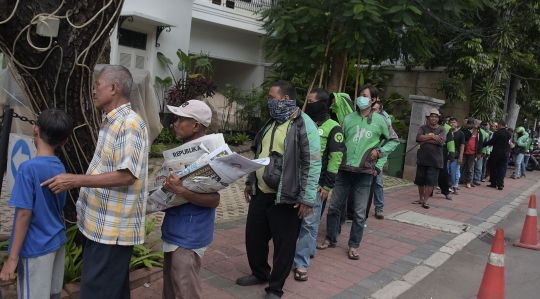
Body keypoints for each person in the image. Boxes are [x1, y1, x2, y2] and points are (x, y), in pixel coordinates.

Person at [42, 65, 148, 299]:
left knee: (97, 292)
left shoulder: (129, 124)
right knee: (112, 290)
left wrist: (76, 180)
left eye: (97, 85)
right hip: (100, 227)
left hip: (112, 231)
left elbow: (127, 175)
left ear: (113, 88)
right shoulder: (110, 121)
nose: (93, 90)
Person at [236, 81, 321, 299]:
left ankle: (275, 288)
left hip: (286, 199)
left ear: (285, 99)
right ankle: (260, 272)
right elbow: (259, 156)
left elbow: (312, 163)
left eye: (272, 97)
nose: (269, 101)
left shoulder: (304, 125)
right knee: (254, 238)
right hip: (260, 194)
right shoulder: (270, 123)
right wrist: (249, 180)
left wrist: (307, 199)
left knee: (284, 247)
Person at [317, 85, 399, 260]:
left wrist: (380, 153)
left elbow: (394, 140)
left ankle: (354, 245)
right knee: (333, 208)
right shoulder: (348, 119)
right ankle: (331, 239)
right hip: (344, 171)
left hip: (364, 173)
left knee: (360, 213)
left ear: (373, 100)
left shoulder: (380, 121)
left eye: (365, 95)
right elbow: (340, 142)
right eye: (360, 95)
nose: (361, 98)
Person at [0, 109, 72, 298]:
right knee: (52, 294)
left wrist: (12, 258)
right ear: (64, 141)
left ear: (34, 130)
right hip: (57, 241)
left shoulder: (27, 169)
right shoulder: (60, 166)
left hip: (36, 248)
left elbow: (24, 214)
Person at [159, 100, 221, 299]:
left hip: (189, 234)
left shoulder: (209, 157)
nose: (175, 123)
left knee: (186, 291)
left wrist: (182, 191)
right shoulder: (182, 153)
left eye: (180, 119)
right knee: (171, 287)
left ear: (196, 125)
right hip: (174, 229)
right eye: (175, 118)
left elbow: (214, 200)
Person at [293, 88, 345, 282]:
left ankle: (301, 262)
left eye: (311, 101)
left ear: (322, 104)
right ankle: (309, 248)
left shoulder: (333, 127)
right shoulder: (301, 122)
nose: (308, 104)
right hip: (296, 181)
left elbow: (335, 157)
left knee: (309, 223)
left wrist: (328, 185)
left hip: (317, 184)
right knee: (297, 221)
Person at [367, 100, 397, 218]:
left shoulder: (384, 126)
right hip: (362, 160)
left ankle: (379, 207)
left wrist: (378, 167)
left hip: (377, 160)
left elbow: (389, 147)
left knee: (377, 183)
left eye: (374, 110)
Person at [413, 109, 446, 209]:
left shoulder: (442, 129)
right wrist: (432, 137)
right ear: (428, 118)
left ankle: (426, 201)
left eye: (436, 117)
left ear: (439, 118)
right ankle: (421, 198)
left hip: (435, 160)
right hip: (422, 158)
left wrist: (425, 139)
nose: (434, 118)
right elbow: (418, 138)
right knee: (420, 180)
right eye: (432, 116)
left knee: (430, 181)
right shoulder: (423, 127)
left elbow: (440, 142)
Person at [485, 121, 512, 190]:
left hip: (496, 153)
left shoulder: (497, 133)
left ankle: (493, 183)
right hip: (505, 153)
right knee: (501, 169)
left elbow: (492, 141)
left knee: (493, 168)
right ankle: (500, 184)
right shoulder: (508, 133)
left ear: (500, 125)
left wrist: (484, 144)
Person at [434, 109, 454, 200]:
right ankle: (429, 191)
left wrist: (452, 154)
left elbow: (450, 142)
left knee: (443, 173)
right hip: (431, 151)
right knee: (430, 172)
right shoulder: (430, 126)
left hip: (442, 152)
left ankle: (446, 191)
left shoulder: (447, 128)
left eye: (437, 116)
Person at [460, 118, 482, 188]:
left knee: (470, 168)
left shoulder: (479, 133)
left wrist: (479, 153)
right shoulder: (465, 130)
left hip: (472, 152)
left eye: (476, 124)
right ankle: (457, 180)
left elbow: (480, 143)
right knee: (460, 165)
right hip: (464, 151)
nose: (474, 125)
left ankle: (468, 181)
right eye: (473, 124)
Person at [448, 118, 465, 194]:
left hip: (456, 156)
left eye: (454, 122)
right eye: (451, 122)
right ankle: (446, 187)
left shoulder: (460, 133)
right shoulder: (447, 132)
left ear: (457, 124)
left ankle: (455, 187)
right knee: (447, 171)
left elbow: (462, 145)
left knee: (454, 173)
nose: (452, 124)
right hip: (447, 155)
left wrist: (460, 156)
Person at [473, 120, 488, 186]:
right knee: (471, 166)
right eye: (475, 123)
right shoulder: (471, 131)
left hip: (479, 152)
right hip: (472, 151)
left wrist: (483, 152)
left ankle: (477, 179)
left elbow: (485, 144)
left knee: (478, 166)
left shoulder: (484, 133)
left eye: (478, 124)